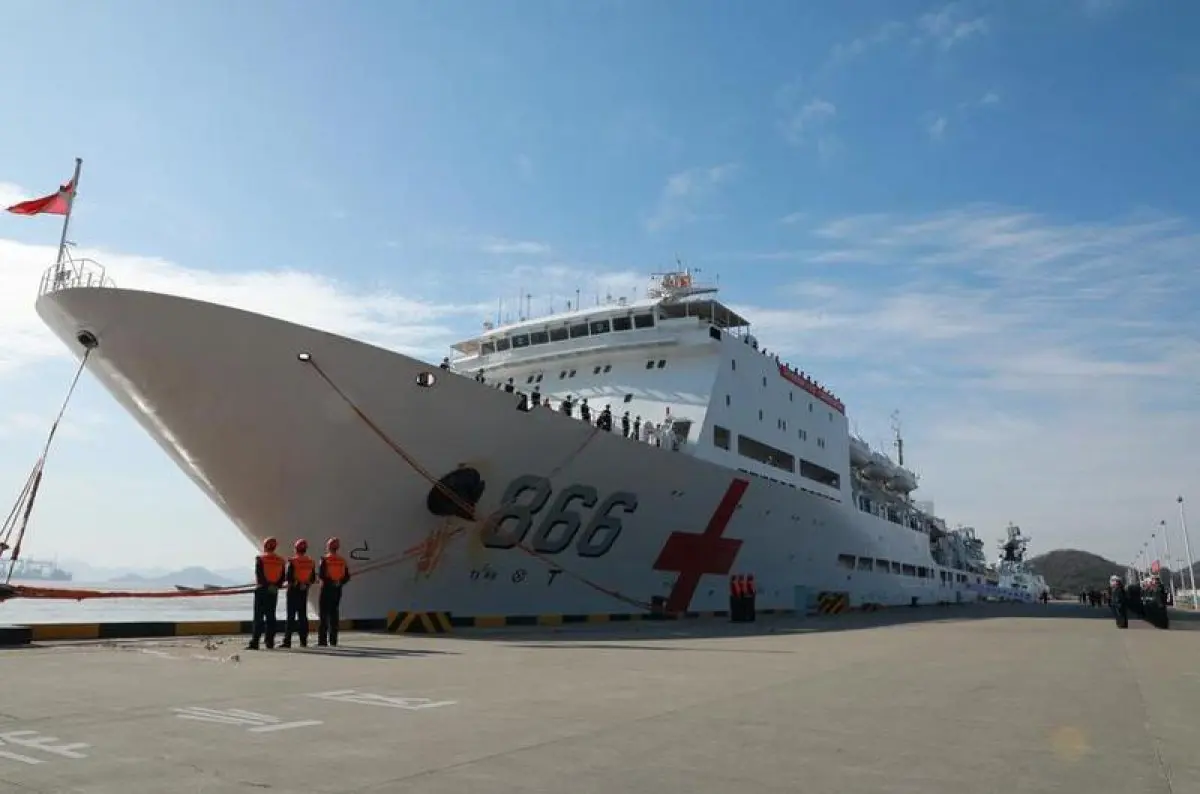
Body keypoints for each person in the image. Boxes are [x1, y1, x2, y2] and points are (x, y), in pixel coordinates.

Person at [248, 537, 286, 650]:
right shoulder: (280, 560)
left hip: (262, 590)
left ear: (265, 546)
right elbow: (282, 577)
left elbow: (259, 575)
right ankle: (270, 642)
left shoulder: (260, 558)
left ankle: (255, 642)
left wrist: (267, 585)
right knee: (271, 617)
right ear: (275, 547)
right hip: (273, 592)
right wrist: (275, 586)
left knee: (258, 617)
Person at [281, 539, 317, 648]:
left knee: (291, 616)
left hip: (293, 591)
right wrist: (305, 585)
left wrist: (296, 583)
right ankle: (303, 641)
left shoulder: (292, 561)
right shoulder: (311, 562)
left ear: (295, 549)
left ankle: (287, 641)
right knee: (302, 616)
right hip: (303, 591)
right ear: (305, 549)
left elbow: (288, 577)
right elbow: (312, 578)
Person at [317, 537, 351, 647]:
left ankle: (322, 641)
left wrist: (330, 582)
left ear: (328, 547)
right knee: (334, 615)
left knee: (323, 615)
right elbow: (346, 576)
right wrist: (339, 582)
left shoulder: (324, 559)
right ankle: (333, 640)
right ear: (337, 548)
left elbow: (321, 575)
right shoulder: (342, 560)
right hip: (337, 590)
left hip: (326, 589)